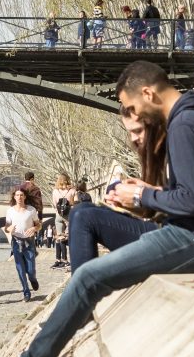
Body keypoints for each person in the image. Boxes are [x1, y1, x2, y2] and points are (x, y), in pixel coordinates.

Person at [0, 60, 194, 357]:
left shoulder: (185, 123)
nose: (134, 116)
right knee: (85, 224)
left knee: (88, 278)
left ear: (147, 92)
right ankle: (65, 322)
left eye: (132, 107)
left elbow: (192, 200)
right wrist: (146, 196)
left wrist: (141, 193)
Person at [63, 106, 167, 272]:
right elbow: (164, 205)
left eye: (138, 131)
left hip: (173, 236)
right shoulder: (157, 155)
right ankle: (81, 285)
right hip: (162, 228)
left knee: (84, 216)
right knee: (79, 210)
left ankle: (83, 289)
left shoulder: (180, 140)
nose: (134, 138)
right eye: (130, 132)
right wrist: (130, 203)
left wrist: (142, 193)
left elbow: (188, 201)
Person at [4, 189, 41, 302]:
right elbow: (6, 227)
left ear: (25, 197)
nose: (19, 197)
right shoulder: (10, 211)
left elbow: (38, 224)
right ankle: (26, 291)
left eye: (21, 195)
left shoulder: (31, 210)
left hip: (29, 242)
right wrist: (8, 229)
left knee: (30, 270)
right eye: (17, 195)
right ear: (14, 197)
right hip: (16, 242)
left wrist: (34, 228)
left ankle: (33, 279)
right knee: (20, 269)